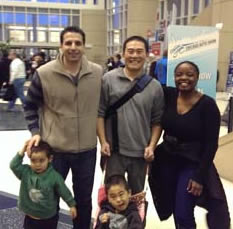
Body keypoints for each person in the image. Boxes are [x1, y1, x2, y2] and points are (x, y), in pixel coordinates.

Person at [24, 26, 102, 229]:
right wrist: (35, 132)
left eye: (78, 43)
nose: (73, 47)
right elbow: (30, 105)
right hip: (55, 150)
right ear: (61, 45)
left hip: (86, 150)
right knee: (49, 200)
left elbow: (104, 110)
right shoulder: (44, 73)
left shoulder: (97, 73)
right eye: (68, 43)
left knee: (83, 201)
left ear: (84, 46)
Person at [149, 61, 231, 229]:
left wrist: (199, 176)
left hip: (192, 163)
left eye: (189, 74)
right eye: (179, 74)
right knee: (173, 207)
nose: (184, 78)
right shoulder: (169, 95)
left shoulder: (208, 106)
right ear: (174, 77)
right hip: (167, 161)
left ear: (197, 77)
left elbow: (211, 145)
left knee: (183, 211)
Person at [97, 35, 164, 195]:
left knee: (136, 198)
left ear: (147, 54)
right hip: (114, 152)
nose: (134, 55)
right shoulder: (108, 79)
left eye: (139, 51)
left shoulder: (154, 87)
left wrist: (151, 146)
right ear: (124, 53)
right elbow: (99, 113)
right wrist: (103, 141)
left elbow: (157, 121)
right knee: (112, 197)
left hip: (140, 154)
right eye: (131, 51)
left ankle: (136, 222)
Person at [10, 140, 77, 229]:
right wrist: (23, 150)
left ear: (49, 159)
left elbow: (64, 191)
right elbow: (13, 165)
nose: (37, 165)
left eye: (41, 161)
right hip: (30, 217)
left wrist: (71, 205)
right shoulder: (26, 172)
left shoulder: (54, 177)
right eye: (33, 161)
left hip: (48, 219)